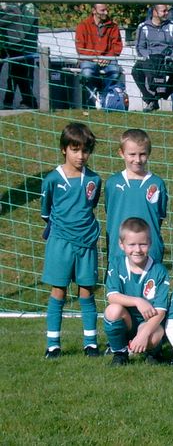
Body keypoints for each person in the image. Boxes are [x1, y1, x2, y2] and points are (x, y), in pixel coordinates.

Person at [41, 123, 101, 359]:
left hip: (87, 243)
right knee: (59, 291)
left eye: (85, 150)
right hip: (61, 243)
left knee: (86, 291)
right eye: (75, 150)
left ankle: (91, 343)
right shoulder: (52, 179)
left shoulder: (94, 179)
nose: (80, 156)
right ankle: (53, 345)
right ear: (64, 149)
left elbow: (90, 205)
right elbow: (46, 211)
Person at [103, 217, 170, 366]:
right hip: (126, 321)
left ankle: (153, 352)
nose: (137, 250)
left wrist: (143, 335)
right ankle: (120, 353)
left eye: (142, 244)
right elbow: (112, 297)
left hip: (149, 323)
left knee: (155, 334)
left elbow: (160, 311)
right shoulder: (116, 264)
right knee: (112, 310)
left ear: (150, 243)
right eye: (132, 244)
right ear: (121, 244)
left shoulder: (159, 271)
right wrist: (137, 301)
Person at [105, 129, 167, 266]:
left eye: (142, 154)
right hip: (119, 252)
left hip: (149, 252)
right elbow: (110, 212)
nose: (137, 160)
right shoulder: (112, 183)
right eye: (132, 154)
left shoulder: (157, 184)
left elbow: (159, 217)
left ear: (149, 153)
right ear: (121, 153)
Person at [132, 4, 173, 113]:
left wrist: (171, 58)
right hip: (150, 59)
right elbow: (139, 47)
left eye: (167, 11)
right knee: (135, 71)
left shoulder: (172, 25)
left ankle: (163, 94)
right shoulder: (143, 27)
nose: (167, 13)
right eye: (164, 11)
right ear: (155, 12)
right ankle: (150, 99)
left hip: (167, 59)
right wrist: (149, 58)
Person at [75, 4, 123, 102]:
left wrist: (108, 57)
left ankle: (104, 94)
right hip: (89, 59)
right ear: (94, 11)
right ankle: (95, 92)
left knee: (115, 72)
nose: (106, 12)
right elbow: (80, 48)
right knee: (87, 74)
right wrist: (95, 58)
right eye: (102, 10)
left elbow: (117, 46)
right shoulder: (83, 26)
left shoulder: (113, 26)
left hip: (108, 60)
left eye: (107, 10)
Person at [0, 2, 38, 109]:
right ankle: (11, 101)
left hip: (19, 45)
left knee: (19, 74)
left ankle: (28, 102)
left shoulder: (27, 5)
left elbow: (17, 15)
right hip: (7, 43)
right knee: (16, 74)